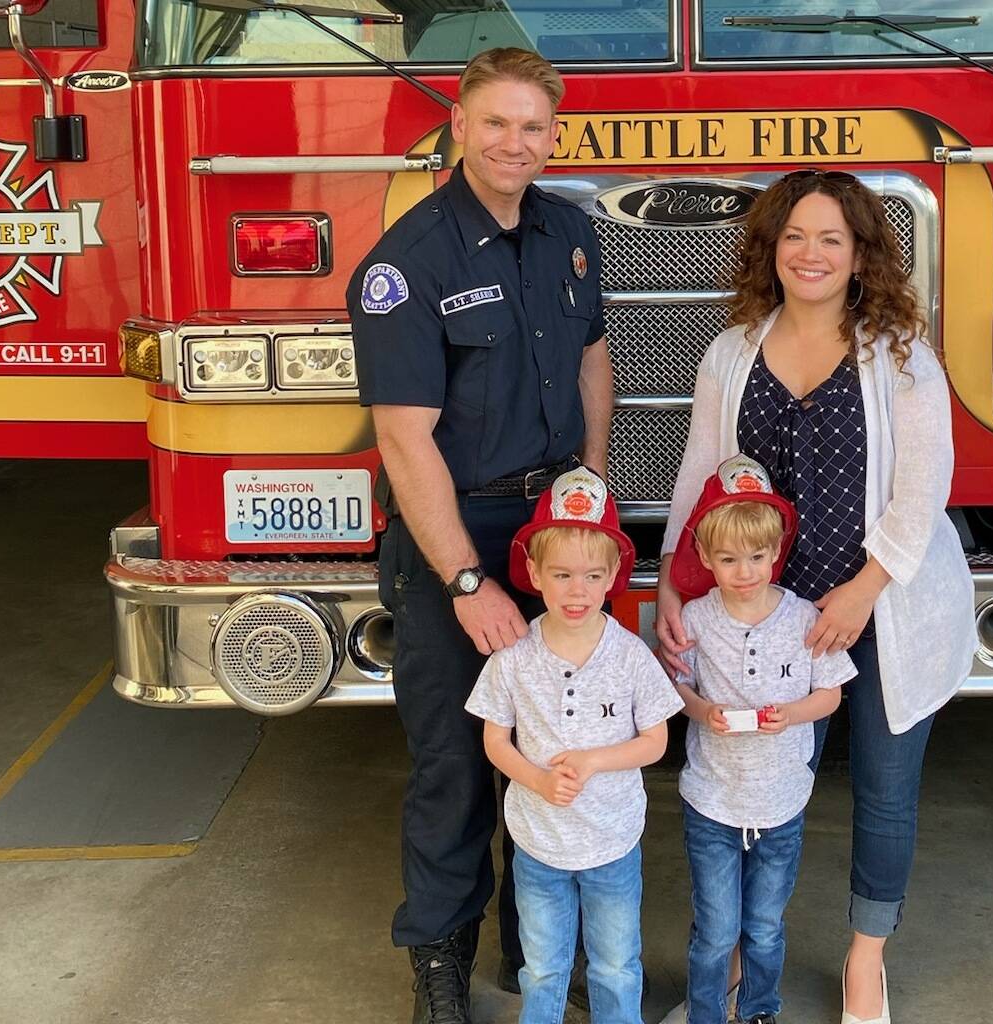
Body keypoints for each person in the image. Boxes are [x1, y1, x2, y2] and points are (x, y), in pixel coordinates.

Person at [655, 169, 975, 1024]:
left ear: (862, 254)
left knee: (881, 786)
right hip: (762, 617)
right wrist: (670, 583)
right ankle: (735, 961)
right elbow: (700, 478)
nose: (811, 253)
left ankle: (866, 959)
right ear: (771, 248)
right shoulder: (732, 352)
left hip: (879, 612)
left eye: (833, 238)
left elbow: (924, 484)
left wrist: (864, 593)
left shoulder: (899, 353)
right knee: (746, 784)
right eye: (795, 235)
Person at [346, 47, 613, 1024]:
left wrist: (590, 493)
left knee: (565, 742)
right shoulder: (406, 264)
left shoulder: (569, 234)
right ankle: (440, 969)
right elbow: (402, 438)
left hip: (556, 531)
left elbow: (592, 361)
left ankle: (540, 949)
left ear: (554, 136)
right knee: (459, 762)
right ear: (457, 127)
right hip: (455, 532)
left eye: (533, 126)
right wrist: (468, 581)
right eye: (495, 123)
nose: (515, 142)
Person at [465, 466, 683, 1024]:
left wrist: (594, 760)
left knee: (615, 965)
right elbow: (495, 738)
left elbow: (655, 741)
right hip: (538, 845)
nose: (577, 591)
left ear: (614, 574)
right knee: (542, 967)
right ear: (533, 572)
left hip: (612, 841)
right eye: (561, 574)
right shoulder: (513, 655)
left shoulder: (631, 654)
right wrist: (536, 778)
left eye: (591, 575)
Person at [669, 454, 856, 1024]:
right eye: (728, 559)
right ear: (705, 556)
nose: (745, 570)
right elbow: (677, 689)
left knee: (766, 927)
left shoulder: (803, 619)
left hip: (781, 803)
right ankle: (706, 1012)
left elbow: (832, 694)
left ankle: (758, 1011)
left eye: (756, 556)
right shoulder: (697, 619)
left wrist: (792, 714)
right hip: (712, 800)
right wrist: (705, 711)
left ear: (777, 550)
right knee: (715, 929)